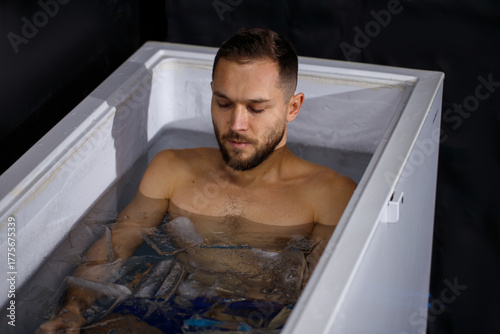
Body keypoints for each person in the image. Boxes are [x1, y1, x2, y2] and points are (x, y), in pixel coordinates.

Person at [37, 28, 356, 333]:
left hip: (260, 320)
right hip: (171, 309)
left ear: (293, 107)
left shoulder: (328, 195)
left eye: (256, 108)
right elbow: (115, 247)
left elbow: (325, 298)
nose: (236, 124)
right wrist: (72, 310)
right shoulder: (172, 169)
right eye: (224, 103)